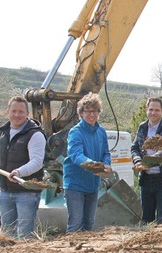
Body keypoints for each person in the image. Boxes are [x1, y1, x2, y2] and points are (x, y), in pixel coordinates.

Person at [0, 96, 46, 239]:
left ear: (27, 114)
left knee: (24, 235)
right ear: (7, 112)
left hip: (27, 193)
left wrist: (18, 172)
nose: (17, 115)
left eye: (21, 112)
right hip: (5, 191)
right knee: (7, 234)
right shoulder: (2, 131)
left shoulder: (35, 134)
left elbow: (37, 162)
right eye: (14, 111)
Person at [63, 92, 113, 233]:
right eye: (88, 111)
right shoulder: (75, 132)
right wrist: (92, 165)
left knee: (89, 224)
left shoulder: (101, 131)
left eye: (95, 111)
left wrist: (106, 164)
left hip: (93, 185)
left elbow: (106, 153)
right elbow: (75, 154)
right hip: (75, 185)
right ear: (81, 113)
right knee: (75, 224)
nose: (92, 114)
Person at [131, 97, 162, 224]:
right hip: (146, 179)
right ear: (146, 110)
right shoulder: (142, 127)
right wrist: (138, 161)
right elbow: (135, 147)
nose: (153, 113)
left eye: (157, 110)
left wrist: (148, 162)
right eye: (151, 109)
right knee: (146, 219)